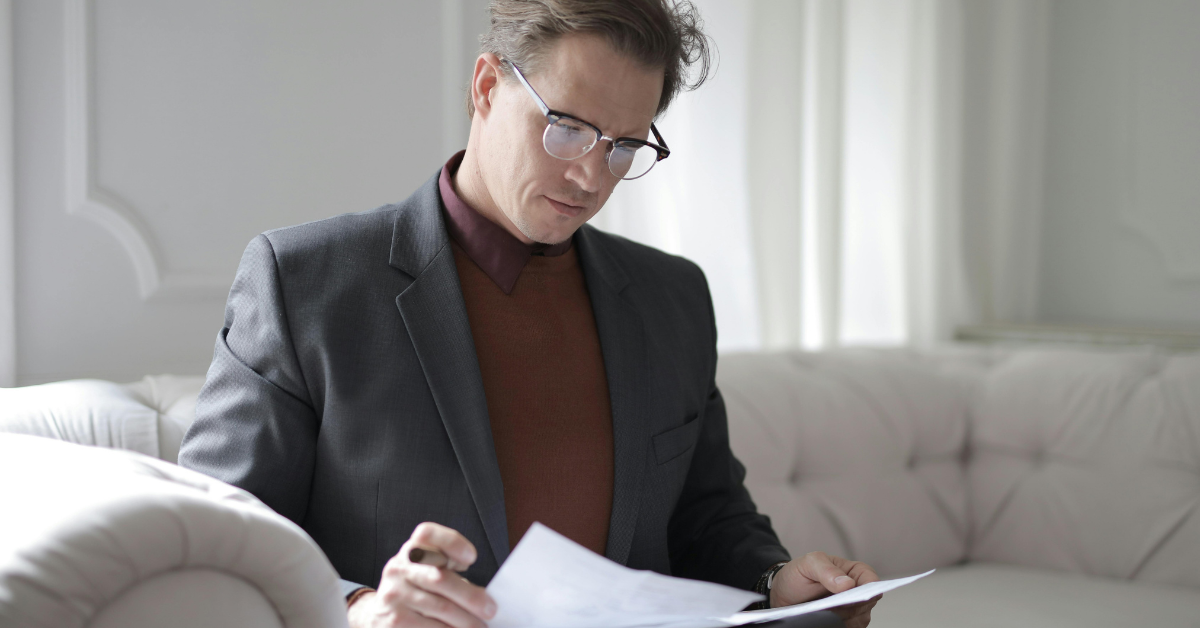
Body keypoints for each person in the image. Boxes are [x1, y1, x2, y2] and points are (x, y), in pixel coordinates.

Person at [179, 1, 882, 627]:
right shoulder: (305, 283)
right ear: (487, 87)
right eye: (568, 129)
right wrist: (360, 610)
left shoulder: (672, 297)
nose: (590, 176)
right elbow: (216, 543)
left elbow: (706, 514)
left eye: (625, 146)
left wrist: (778, 582)